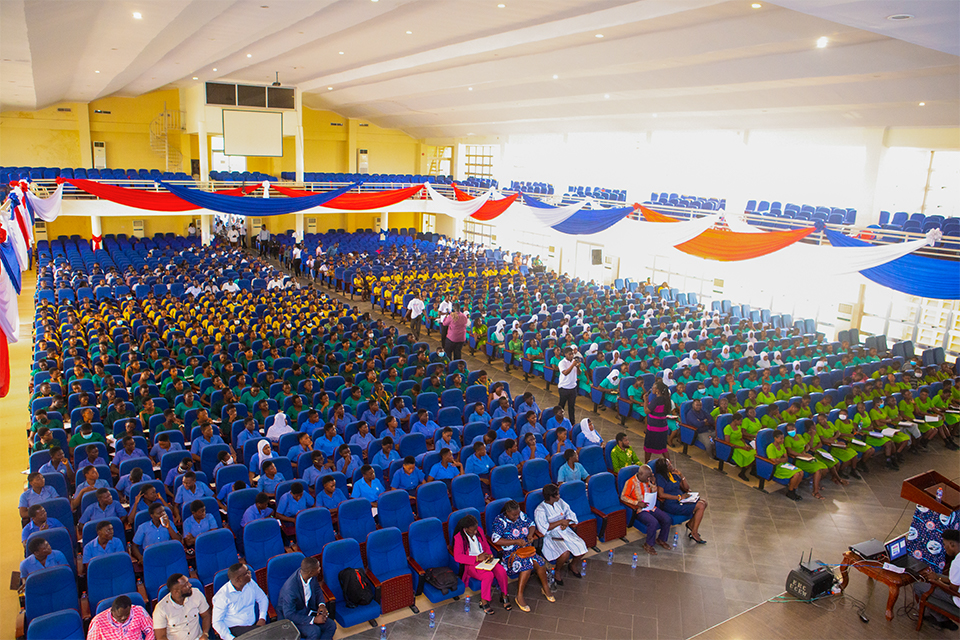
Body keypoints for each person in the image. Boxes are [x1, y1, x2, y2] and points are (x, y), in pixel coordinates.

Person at [490, 500, 554, 612]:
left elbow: (531, 525)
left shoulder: (521, 515)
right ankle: (519, 596)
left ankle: (546, 588)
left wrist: (530, 535)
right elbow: (496, 540)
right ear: (507, 512)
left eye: (518, 513)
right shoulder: (500, 521)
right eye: (514, 515)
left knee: (540, 563)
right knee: (527, 566)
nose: (517, 516)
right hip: (511, 554)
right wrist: (515, 542)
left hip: (526, 549)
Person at [451, 514, 511, 615]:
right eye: (473, 530)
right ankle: (484, 601)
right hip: (471, 563)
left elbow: (486, 545)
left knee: (501, 571)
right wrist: (477, 558)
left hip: (484, 559)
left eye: (476, 529)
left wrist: (489, 555)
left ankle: (504, 595)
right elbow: (458, 557)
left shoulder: (479, 530)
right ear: (466, 529)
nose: (475, 532)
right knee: (488, 575)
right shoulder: (459, 537)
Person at [534, 484, 586, 584]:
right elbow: (543, 528)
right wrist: (560, 522)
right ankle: (557, 570)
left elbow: (570, 513)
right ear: (551, 497)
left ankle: (573, 565)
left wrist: (567, 521)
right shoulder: (540, 509)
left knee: (581, 546)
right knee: (564, 553)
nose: (559, 496)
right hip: (551, 535)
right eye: (557, 495)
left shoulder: (560, 502)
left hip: (564, 530)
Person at [277, 556, 337, 639]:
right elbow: (289, 614)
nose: (320, 569)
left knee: (331, 626)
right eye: (318, 568)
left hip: (307, 611)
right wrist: (313, 620)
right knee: (314, 631)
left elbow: (317, 589)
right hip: (293, 618)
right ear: (311, 572)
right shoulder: (290, 589)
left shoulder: (310, 576)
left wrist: (321, 604)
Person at [653, 457, 708, 544]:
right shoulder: (661, 477)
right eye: (668, 464)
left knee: (704, 503)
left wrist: (681, 476)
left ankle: (690, 524)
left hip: (682, 500)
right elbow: (661, 494)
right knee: (700, 506)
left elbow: (686, 488)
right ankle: (694, 533)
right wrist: (678, 497)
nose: (671, 465)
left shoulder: (673, 474)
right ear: (664, 468)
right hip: (672, 503)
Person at [620, 464, 672, 555]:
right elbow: (623, 496)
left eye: (650, 476)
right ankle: (648, 544)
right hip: (640, 509)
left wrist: (653, 484)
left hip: (651, 506)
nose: (649, 478)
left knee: (667, 519)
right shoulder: (631, 482)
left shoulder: (648, 481)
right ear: (640, 474)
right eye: (647, 476)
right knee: (653, 522)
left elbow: (654, 492)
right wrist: (637, 503)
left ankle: (661, 539)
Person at [913, 529, 960, 630]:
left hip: (957, 598)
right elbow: (955, 579)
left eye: (944, 544)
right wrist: (937, 577)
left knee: (918, 586)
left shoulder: (957, 563)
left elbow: (952, 590)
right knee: (935, 576)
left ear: (952, 544)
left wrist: (936, 581)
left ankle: (940, 618)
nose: (944, 547)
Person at [212, 563, 269, 639]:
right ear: (238, 579)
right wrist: (231, 638)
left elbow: (262, 598)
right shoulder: (222, 596)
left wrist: (262, 618)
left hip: (253, 626)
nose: (250, 574)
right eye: (246, 573)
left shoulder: (250, 583)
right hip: (234, 629)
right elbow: (217, 622)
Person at [153, 573, 212, 640]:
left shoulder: (196, 594)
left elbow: (206, 615)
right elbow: (161, 637)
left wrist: (205, 634)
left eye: (188, 582)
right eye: (185, 585)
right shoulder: (161, 609)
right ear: (176, 592)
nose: (190, 585)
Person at [88, 595, 155, 640]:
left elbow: (151, 630)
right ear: (112, 611)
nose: (123, 618)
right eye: (119, 616)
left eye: (126, 614)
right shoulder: (98, 621)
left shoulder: (139, 611)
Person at [766, 430, 804, 501]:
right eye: (781, 438)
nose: (782, 440)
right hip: (777, 467)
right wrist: (780, 459)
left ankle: (793, 491)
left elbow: (786, 458)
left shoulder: (781, 445)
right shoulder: (770, 447)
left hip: (785, 465)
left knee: (801, 472)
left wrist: (779, 459)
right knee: (796, 474)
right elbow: (773, 460)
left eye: (783, 438)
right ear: (775, 438)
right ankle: (790, 492)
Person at [643, 379, 672, 463]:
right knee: (663, 448)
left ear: (658, 390)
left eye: (654, 387)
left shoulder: (656, 400)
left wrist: (645, 401)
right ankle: (669, 465)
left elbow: (646, 411)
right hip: (663, 427)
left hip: (654, 427)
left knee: (648, 447)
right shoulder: (666, 399)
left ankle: (647, 464)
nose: (652, 388)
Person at [557, 347, 580, 423]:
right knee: (561, 406)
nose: (571, 356)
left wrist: (577, 367)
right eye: (570, 354)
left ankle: (572, 423)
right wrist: (573, 365)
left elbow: (579, 373)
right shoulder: (562, 363)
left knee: (571, 407)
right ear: (565, 354)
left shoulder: (574, 362)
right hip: (564, 387)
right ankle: (558, 420)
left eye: (572, 354)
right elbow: (565, 373)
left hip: (573, 388)